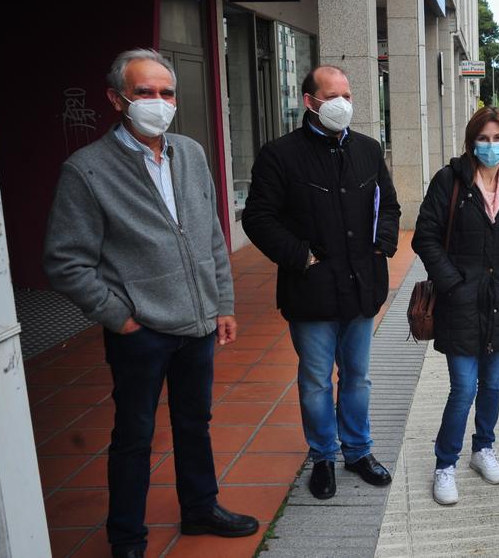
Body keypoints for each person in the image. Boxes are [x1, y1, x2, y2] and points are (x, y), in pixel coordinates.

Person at [44, 49, 258, 558]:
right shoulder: (87, 170)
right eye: (145, 93)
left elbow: (209, 234)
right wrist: (119, 316)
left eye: (166, 93)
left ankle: (200, 507)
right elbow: (65, 260)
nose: (158, 103)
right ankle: (126, 538)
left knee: (194, 423)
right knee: (134, 437)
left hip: (198, 324)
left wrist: (222, 303)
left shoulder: (189, 152)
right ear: (116, 99)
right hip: (140, 332)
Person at [242, 65, 401, 500]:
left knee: (358, 377)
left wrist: (381, 245)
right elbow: (257, 216)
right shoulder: (280, 154)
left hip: (361, 286)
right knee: (315, 380)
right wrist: (300, 254)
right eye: (333, 96)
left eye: (347, 95)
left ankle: (358, 451)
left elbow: (388, 204)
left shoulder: (369, 150)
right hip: (310, 289)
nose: (342, 105)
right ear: (310, 101)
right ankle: (324, 457)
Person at [412, 107, 499, 505]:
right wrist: (451, 283)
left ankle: (483, 448)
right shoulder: (450, 180)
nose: (490, 145)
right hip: (459, 302)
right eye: (483, 138)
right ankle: (445, 464)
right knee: (463, 388)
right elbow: (425, 237)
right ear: (471, 141)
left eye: (498, 138)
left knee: (494, 384)